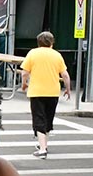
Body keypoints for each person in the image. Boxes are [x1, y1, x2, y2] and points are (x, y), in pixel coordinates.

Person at [18, 31, 71, 159]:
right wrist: (68, 88)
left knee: (39, 119)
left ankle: (42, 149)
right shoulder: (57, 55)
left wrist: (24, 84)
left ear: (38, 42)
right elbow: (65, 75)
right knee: (48, 119)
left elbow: (24, 72)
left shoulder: (33, 53)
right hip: (53, 92)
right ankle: (44, 144)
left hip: (37, 91)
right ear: (52, 42)